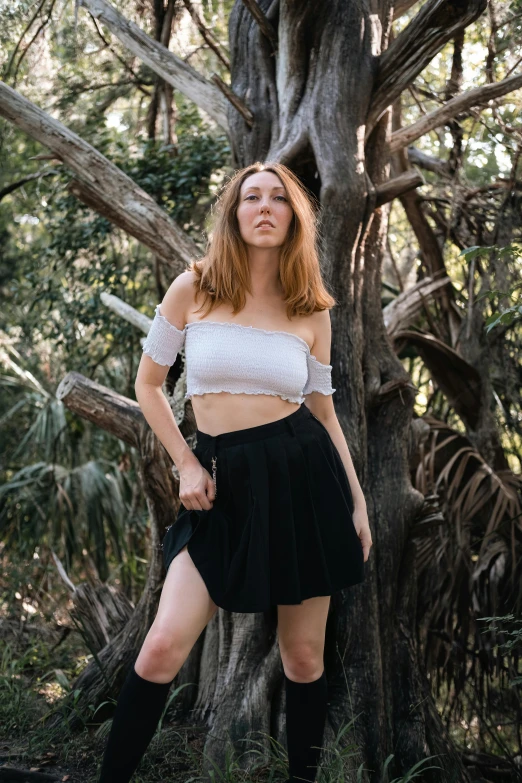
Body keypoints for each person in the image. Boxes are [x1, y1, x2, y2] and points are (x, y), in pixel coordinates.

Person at [98, 161, 373, 783]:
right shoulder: (192, 288)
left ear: (296, 218)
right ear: (234, 213)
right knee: (163, 646)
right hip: (219, 484)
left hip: (304, 480)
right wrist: (186, 464)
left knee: (303, 657)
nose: (266, 207)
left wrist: (357, 503)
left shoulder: (312, 309)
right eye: (252, 197)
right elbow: (147, 386)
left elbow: (324, 414)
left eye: (280, 198)